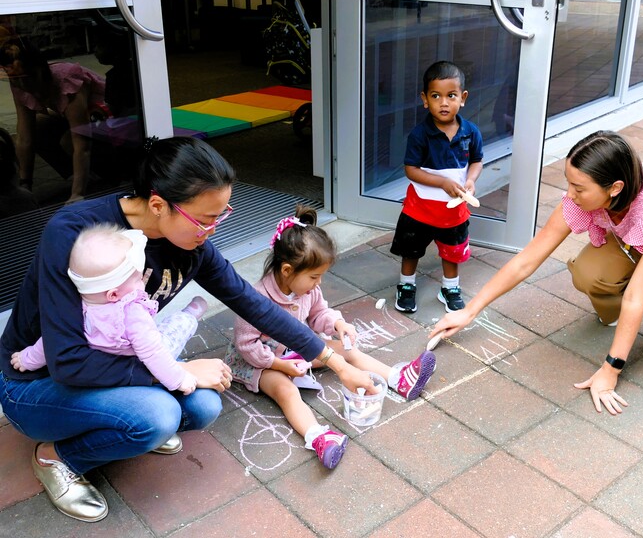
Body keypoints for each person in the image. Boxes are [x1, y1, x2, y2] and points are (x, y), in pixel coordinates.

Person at [0, 136, 375, 523]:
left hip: (112, 365)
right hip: (33, 382)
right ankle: (56, 457)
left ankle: (125, 423)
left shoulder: (190, 243)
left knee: (204, 405)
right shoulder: (75, 233)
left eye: (221, 215)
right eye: (207, 219)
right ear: (159, 204)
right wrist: (178, 372)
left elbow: (253, 304)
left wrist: (335, 361)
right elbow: (67, 361)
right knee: (158, 416)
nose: (213, 229)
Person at [432, 130, 643, 415]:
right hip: (634, 236)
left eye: (578, 188)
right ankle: (619, 319)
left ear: (615, 188)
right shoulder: (586, 199)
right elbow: (527, 260)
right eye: (569, 182)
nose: (570, 194)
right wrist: (469, 311)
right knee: (588, 273)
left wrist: (611, 369)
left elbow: (637, 295)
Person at [226, 206, 437, 469]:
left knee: (345, 349)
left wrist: (338, 324)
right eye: (314, 276)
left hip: (295, 348)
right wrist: (279, 365)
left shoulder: (307, 290)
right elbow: (247, 346)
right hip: (260, 361)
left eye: (321, 276)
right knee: (286, 390)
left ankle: (399, 378)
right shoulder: (255, 299)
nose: (318, 283)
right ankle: (318, 437)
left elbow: (318, 314)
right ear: (288, 270)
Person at [11, 224, 208, 396]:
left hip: (104, 368)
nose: (142, 282)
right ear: (114, 295)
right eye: (139, 278)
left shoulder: (75, 307)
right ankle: (189, 314)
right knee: (172, 333)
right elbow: (153, 352)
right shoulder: (132, 313)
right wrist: (179, 379)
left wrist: (27, 359)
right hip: (138, 359)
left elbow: (49, 342)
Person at [391, 60, 483, 314]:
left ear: (462, 98)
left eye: (451, 95)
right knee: (411, 250)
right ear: (425, 99)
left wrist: (471, 180)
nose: (444, 102)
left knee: (452, 251)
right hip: (419, 209)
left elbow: (477, 161)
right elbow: (411, 169)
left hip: (453, 211)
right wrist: (442, 182)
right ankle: (406, 284)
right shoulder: (420, 135)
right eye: (436, 96)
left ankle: (450, 287)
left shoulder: (470, 132)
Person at [0, 31, 105, 203]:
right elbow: (25, 138)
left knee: (69, 141)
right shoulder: (19, 83)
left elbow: (82, 143)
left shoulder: (66, 79)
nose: (21, 84)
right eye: (14, 79)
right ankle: (75, 173)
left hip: (106, 118)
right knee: (39, 127)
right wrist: (24, 186)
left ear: (40, 69)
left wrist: (77, 194)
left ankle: (98, 176)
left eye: (26, 77)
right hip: (77, 121)